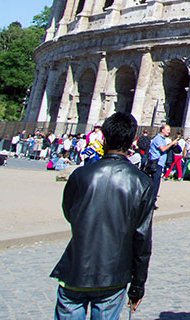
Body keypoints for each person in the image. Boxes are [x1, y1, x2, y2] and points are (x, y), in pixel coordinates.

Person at [49, 111, 154, 319]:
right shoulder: (142, 182)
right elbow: (142, 238)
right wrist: (138, 284)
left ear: (103, 138)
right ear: (133, 141)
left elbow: (70, 212)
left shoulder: (80, 174)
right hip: (113, 273)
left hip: (75, 267)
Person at [147, 124, 173, 207]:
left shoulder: (162, 139)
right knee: (155, 183)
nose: (169, 131)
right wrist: (171, 144)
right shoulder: (158, 138)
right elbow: (162, 149)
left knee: (156, 182)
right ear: (162, 130)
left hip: (160, 163)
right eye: (168, 129)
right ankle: (151, 202)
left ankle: (152, 201)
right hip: (156, 163)